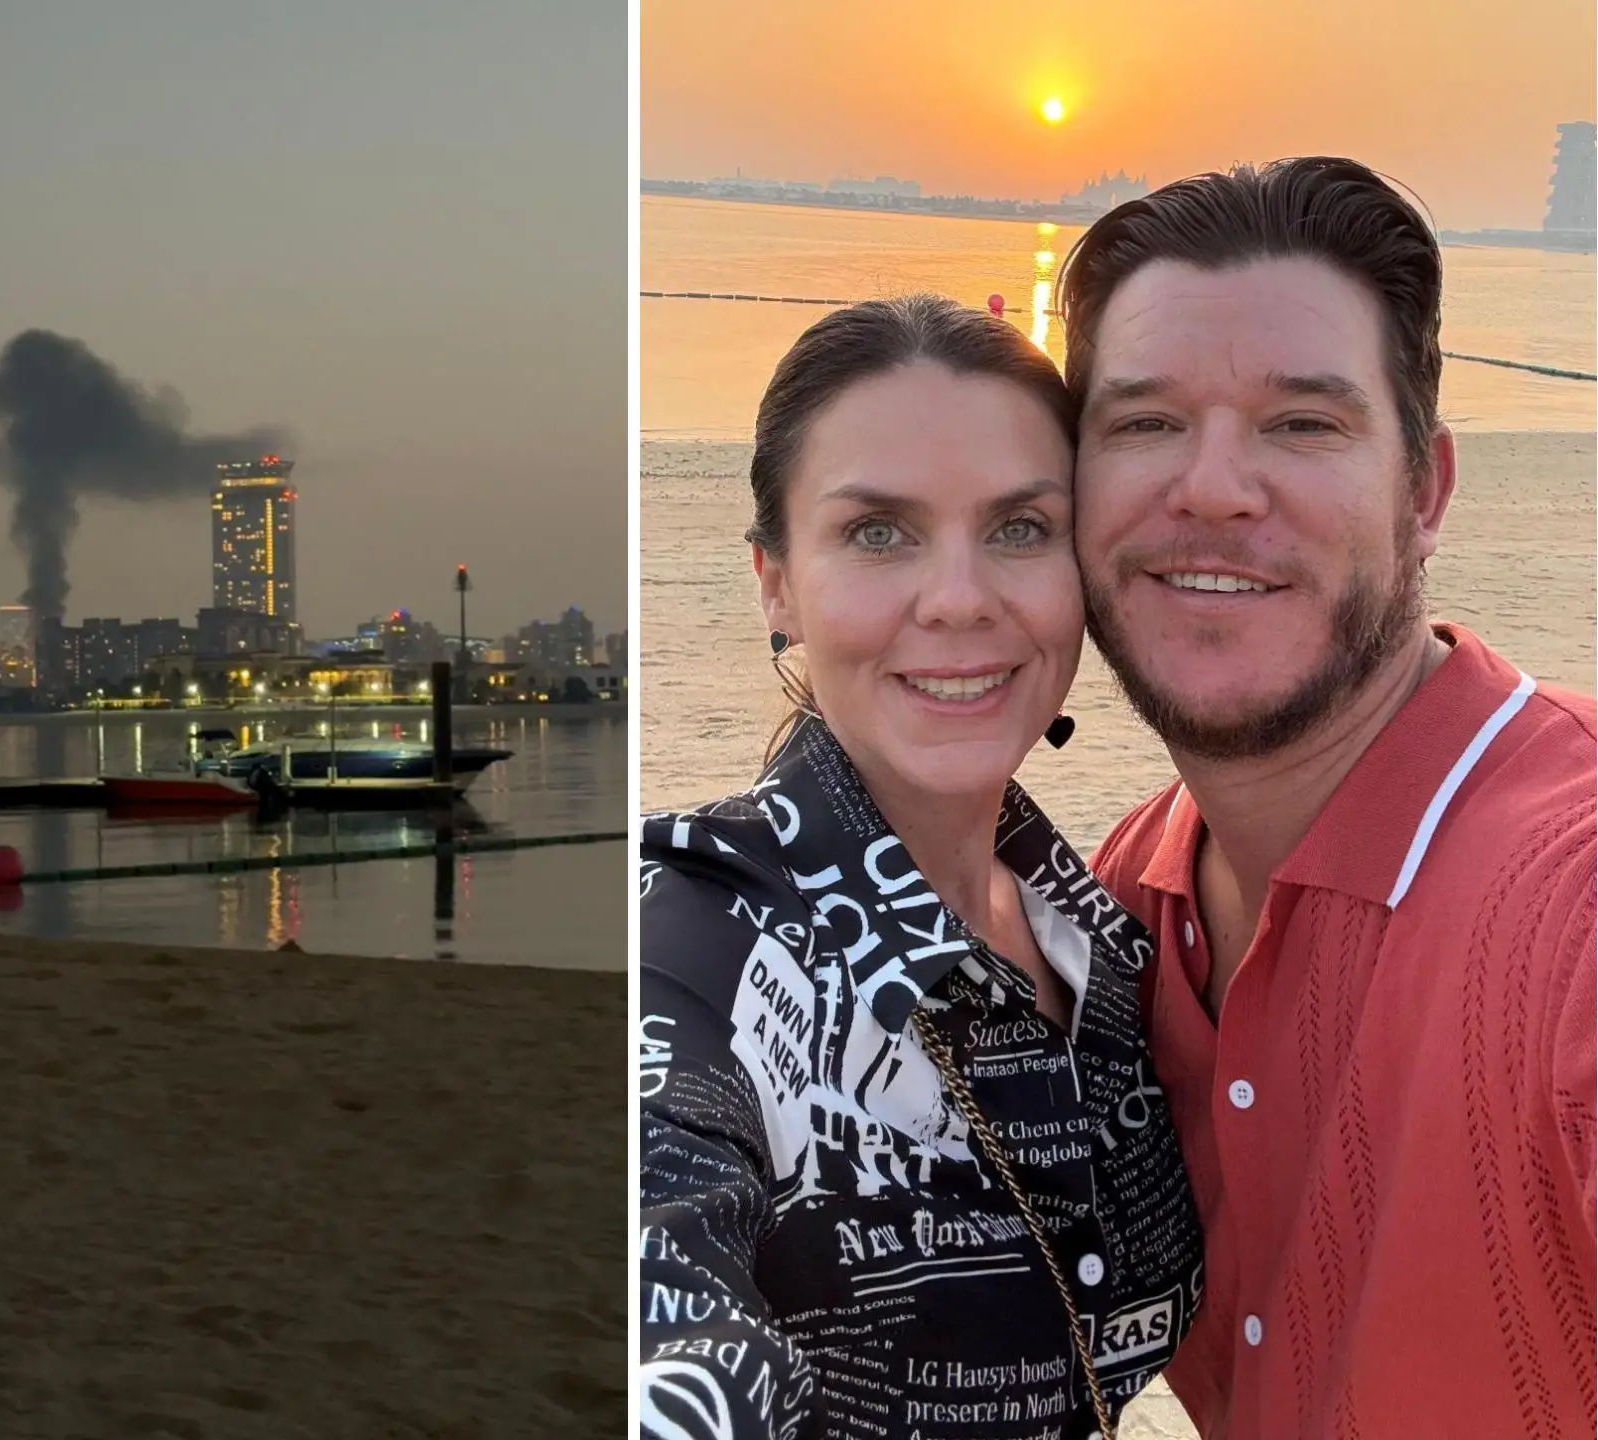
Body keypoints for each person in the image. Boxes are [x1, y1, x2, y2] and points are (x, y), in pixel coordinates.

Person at [1059, 157, 1596, 1438]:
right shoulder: (1113, 911)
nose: (1214, 487)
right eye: (1142, 424)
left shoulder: (1570, 904)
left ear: (1426, 492)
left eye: (1304, 424)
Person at [637, 295, 1204, 1440]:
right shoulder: (688, 950)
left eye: (1020, 528)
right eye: (880, 533)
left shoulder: (1100, 933)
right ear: (776, 582)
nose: (959, 600)